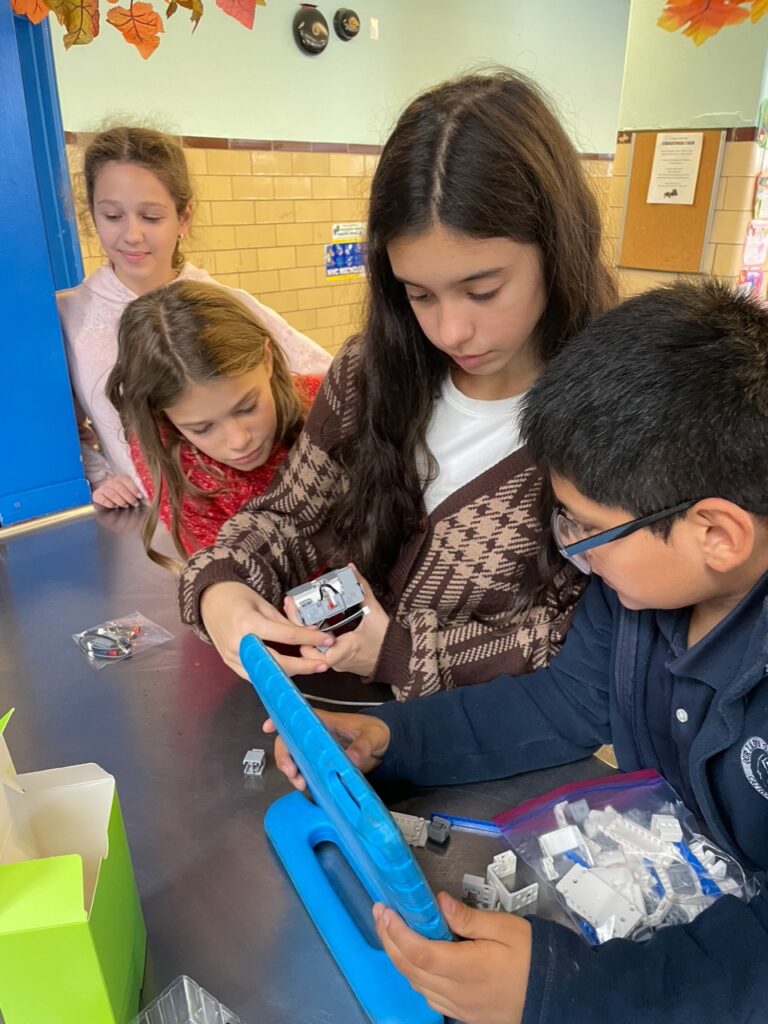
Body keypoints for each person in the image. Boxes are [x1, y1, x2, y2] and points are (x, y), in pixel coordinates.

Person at [269, 280, 768, 1023]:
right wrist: (392, 738)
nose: (573, 551)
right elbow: (561, 703)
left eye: (587, 528)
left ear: (717, 536)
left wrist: (572, 990)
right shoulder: (639, 598)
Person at [177, 69, 617, 702]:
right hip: (341, 712)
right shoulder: (369, 373)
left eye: (483, 290)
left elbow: (580, 636)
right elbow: (288, 516)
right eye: (419, 294)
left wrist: (399, 652)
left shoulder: (611, 414)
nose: (451, 330)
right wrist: (223, 591)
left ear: (557, 248)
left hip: (487, 736)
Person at [57, 126, 330, 511]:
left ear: (183, 217)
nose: (132, 234)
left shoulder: (226, 304)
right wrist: (98, 474)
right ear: (92, 215)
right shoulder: (69, 316)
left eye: (151, 217)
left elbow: (327, 381)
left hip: (250, 516)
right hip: (151, 518)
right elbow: (60, 428)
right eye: (113, 215)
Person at [106, 281, 323, 570]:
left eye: (248, 407)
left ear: (267, 360)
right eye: (202, 428)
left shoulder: (328, 406)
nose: (238, 440)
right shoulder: (171, 458)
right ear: (164, 416)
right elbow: (235, 574)